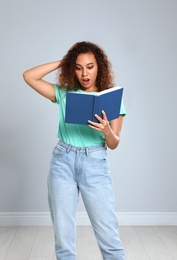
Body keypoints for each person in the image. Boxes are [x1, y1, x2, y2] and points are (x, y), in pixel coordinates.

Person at [23, 41, 126, 260]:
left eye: (90, 66)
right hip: (63, 161)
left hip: (95, 162)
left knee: (109, 237)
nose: (84, 73)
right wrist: (65, 61)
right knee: (63, 239)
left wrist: (107, 130)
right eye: (78, 67)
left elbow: (114, 143)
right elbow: (29, 76)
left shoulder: (112, 98)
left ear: (99, 67)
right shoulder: (65, 93)